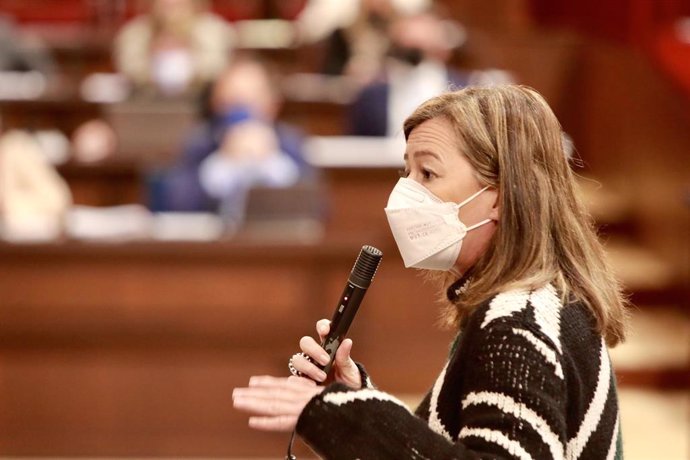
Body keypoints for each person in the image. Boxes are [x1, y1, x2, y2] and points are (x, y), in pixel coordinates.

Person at [232, 85, 628, 459]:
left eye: (428, 174)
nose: (405, 193)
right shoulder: (541, 302)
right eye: (407, 172)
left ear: (500, 197)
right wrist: (359, 398)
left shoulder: (516, 323)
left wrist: (345, 418)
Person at [155, 57, 310, 213]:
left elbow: (314, 207)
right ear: (215, 103)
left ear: (272, 105)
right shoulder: (201, 141)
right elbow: (176, 203)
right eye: (232, 100)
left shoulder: (290, 141)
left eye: (249, 100)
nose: (240, 109)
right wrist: (223, 160)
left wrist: (272, 161)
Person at [348, 10, 471, 137]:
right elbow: (356, 145)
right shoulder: (372, 96)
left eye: (420, 47)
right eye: (406, 46)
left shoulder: (463, 91)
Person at [113, 0, 234, 97]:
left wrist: (189, 47)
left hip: (202, 105)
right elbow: (131, 71)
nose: (170, 3)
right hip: (145, 107)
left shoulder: (214, 30)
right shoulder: (134, 33)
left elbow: (215, 70)